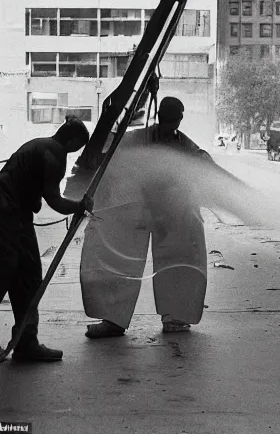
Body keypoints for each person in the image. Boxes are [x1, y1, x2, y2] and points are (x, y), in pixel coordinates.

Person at [79, 97, 211, 339]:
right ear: (158, 116)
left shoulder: (185, 146)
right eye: (165, 120)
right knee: (118, 259)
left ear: (180, 120)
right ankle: (113, 320)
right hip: (135, 208)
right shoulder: (137, 139)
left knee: (180, 260)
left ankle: (175, 316)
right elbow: (111, 157)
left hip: (171, 211)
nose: (168, 125)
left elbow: (203, 162)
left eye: (172, 121)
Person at [0, 115, 94, 363]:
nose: (78, 151)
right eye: (79, 145)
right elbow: (55, 201)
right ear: (71, 140)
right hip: (1, 211)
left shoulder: (43, 146)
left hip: (16, 214)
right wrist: (79, 206)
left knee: (28, 275)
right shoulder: (54, 154)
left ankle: (26, 342)